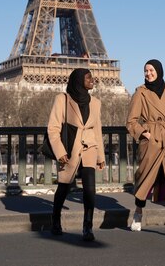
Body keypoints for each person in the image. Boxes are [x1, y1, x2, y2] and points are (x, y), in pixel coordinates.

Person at [126, 59, 165, 238]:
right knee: (146, 178)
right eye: (146, 71)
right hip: (151, 140)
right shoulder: (140, 93)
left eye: (151, 70)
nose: (148, 73)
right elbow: (131, 121)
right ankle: (138, 213)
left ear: (159, 71)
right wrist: (146, 134)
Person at [48, 68, 105, 241]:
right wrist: (60, 152)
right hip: (70, 149)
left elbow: (97, 130)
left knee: (90, 190)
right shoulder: (62, 99)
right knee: (64, 187)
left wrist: (100, 156)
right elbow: (53, 128)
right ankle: (55, 220)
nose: (92, 80)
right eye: (88, 78)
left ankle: (88, 227)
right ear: (79, 80)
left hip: (90, 147)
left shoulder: (95, 102)